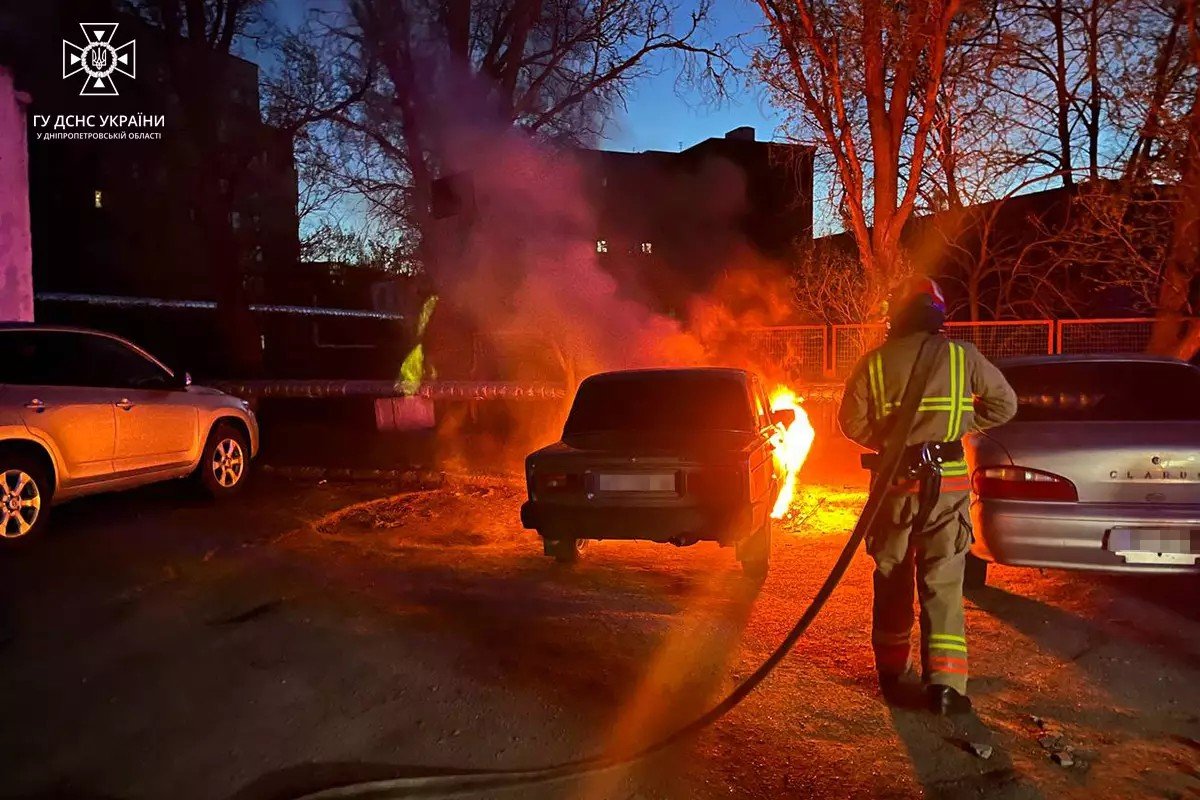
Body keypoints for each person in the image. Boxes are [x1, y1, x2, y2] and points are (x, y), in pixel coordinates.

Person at [837, 277, 1017, 715]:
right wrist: (955, 425)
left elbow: (851, 423)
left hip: (894, 485)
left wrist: (893, 443)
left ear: (894, 316)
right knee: (943, 580)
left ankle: (891, 670)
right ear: (938, 313)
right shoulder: (961, 357)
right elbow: (1004, 405)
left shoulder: (874, 362)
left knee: (892, 574)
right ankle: (946, 686)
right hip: (947, 487)